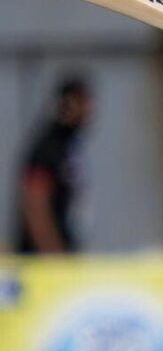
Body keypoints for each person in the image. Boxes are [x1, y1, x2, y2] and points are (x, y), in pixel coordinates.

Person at [13, 75, 93, 254]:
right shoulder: (48, 147)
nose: (89, 110)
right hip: (43, 265)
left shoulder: (70, 147)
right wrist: (54, 255)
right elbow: (35, 206)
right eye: (82, 103)